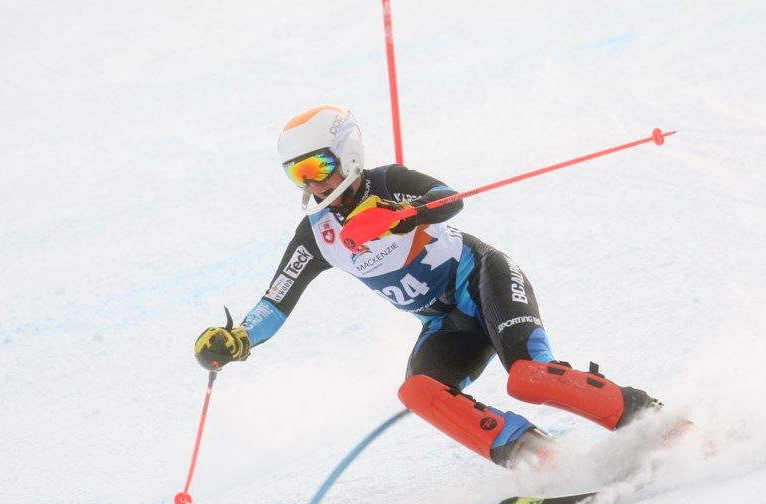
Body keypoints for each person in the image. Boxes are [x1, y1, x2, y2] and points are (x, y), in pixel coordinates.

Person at [194, 104, 663, 468]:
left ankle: (652, 421)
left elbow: (448, 199)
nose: (313, 184)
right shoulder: (317, 234)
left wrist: (400, 216)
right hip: (445, 324)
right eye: (298, 174)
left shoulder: (388, 182)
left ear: (347, 153)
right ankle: (539, 458)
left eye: (318, 166)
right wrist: (238, 339)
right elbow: (276, 301)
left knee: (527, 378)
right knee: (418, 391)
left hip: (484, 280)